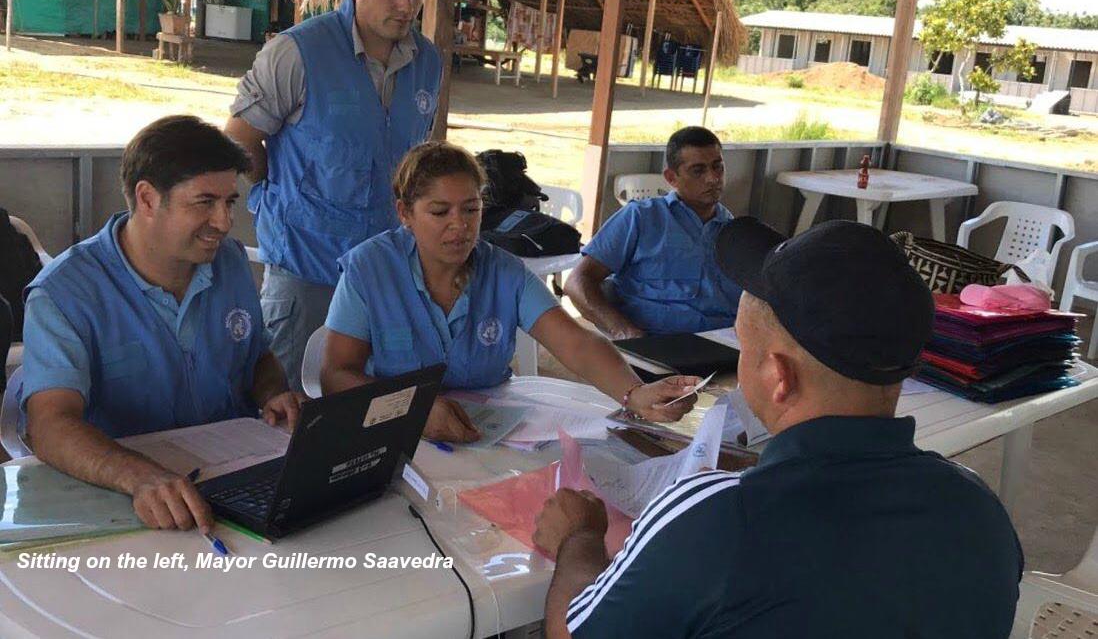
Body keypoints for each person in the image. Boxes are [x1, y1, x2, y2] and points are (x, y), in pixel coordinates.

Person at [534, 218, 1024, 638]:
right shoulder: (981, 512)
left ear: (778, 376)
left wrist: (579, 537)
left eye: (742, 346)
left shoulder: (716, 516)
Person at [20, 116, 306, 532]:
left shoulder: (228, 262)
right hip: (129, 500)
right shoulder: (66, 293)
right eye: (204, 202)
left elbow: (256, 355)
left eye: (229, 202)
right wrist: (139, 477)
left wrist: (273, 393)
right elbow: (49, 424)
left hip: (236, 480)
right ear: (148, 199)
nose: (224, 222)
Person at [321, 141, 700, 443]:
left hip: (487, 435)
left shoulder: (503, 271)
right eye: (440, 212)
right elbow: (336, 374)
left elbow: (576, 343)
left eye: (471, 209)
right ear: (405, 213)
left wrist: (634, 393)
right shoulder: (369, 270)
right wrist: (412, 410)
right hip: (391, 433)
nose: (460, 226)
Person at [225, 0, 440, 390]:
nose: (407, 5)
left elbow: (417, 160)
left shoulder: (427, 61)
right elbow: (239, 139)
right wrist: (274, 192)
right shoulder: (297, 52)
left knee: (371, 408)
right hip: (306, 272)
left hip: (384, 277)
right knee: (286, 408)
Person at [565, 126, 742, 339]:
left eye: (717, 167)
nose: (713, 178)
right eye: (698, 170)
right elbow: (578, 281)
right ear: (671, 178)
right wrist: (625, 332)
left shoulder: (735, 231)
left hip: (723, 341)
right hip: (655, 341)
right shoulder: (641, 218)